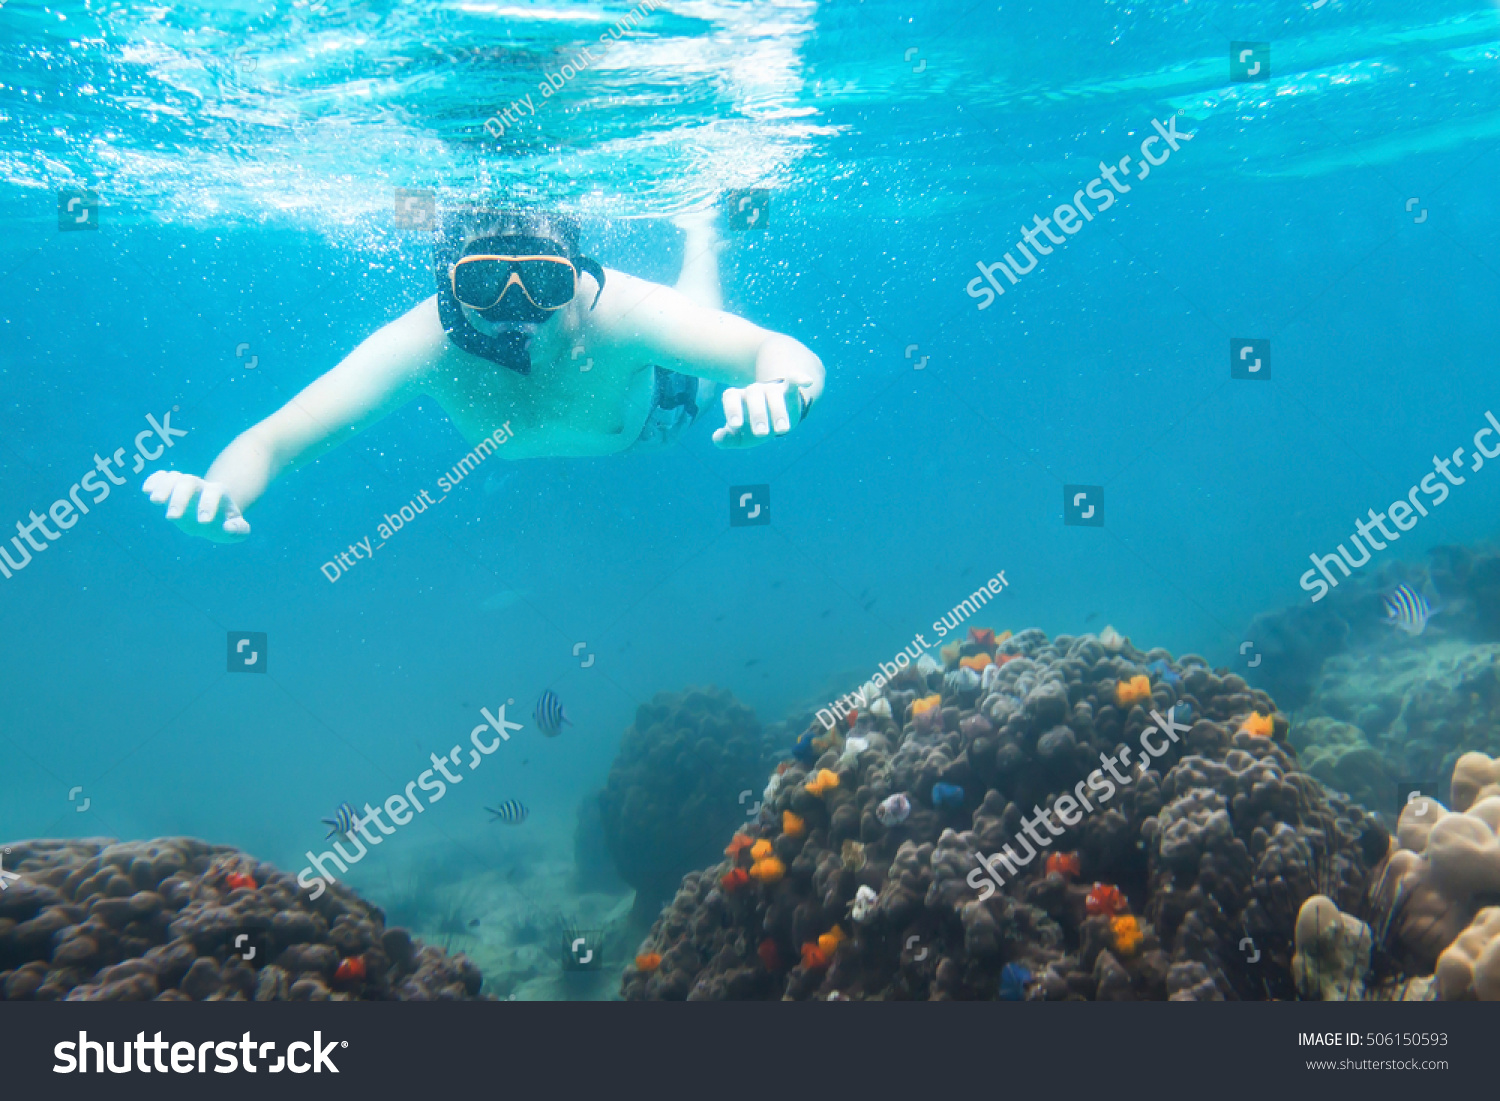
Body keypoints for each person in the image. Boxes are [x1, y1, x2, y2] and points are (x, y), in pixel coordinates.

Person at [142, 207, 824, 541]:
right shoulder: (424, 343)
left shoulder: (621, 315)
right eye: (487, 281)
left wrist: (785, 392)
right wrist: (219, 493)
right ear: (449, 286)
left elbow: (775, 350)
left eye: (545, 284)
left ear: (578, 278)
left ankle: (699, 231)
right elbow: (273, 441)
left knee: (699, 313)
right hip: (604, 429)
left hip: (663, 415)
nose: (516, 310)